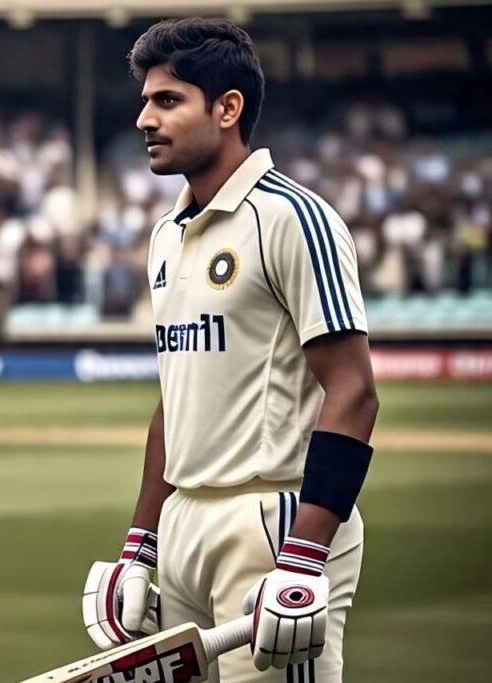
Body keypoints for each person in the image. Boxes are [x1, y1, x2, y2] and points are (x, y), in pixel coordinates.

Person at [84, 18, 378, 683]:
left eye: (166, 101)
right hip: (185, 521)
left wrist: (304, 554)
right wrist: (141, 545)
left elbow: (353, 390)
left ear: (227, 108)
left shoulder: (293, 218)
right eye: (145, 101)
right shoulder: (167, 234)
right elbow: (176, 396)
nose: (143, 120)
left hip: (272, 516)